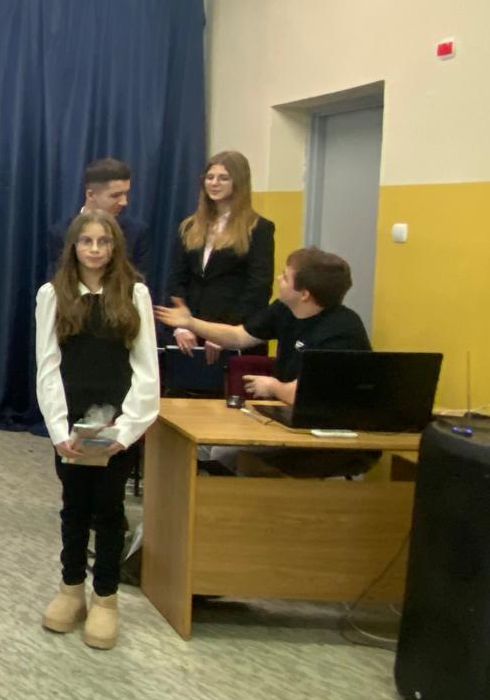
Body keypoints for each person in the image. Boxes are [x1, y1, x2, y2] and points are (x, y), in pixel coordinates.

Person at [35, 212, 159, 650]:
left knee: (109, 509)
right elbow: (47, 366)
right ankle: (71, 589)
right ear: (73, 246)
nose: (94, 249)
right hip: (71, 425)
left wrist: (126, 430)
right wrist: (58, 429)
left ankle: (105, 597)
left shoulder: (134, 294)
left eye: (103, 241)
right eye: (86, 241)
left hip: (116, 426)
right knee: (74, 507)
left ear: (114, 247)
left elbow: (146, 368)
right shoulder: (53, 295)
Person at [156, 247, 375, 476]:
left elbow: (307, 394)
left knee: (223, 452)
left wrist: (272, 386)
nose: (279, 279)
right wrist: (191, 323)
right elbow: (239, 336)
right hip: (290, 419)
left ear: (304, 294)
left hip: (328, 432)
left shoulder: (342, 330)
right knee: (205, 446)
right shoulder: (284, 309)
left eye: (286, 277)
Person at [167, 150, 275, 366]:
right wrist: (182, 326)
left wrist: (225, 333)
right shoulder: (189, 226)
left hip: (235, 334)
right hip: (190, 336)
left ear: (239, 182)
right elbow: (176, 278)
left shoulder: (259, 228)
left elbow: (258, 288)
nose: (214, 183)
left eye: (223, 178)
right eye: (210, 177)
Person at [48, 158, 151, 278]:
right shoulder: (60, 233)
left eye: (125, 194)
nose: (124, 202)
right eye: (115, 195)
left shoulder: (137, 232)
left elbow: (139, 280)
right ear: (91, 195)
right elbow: (59, 281)